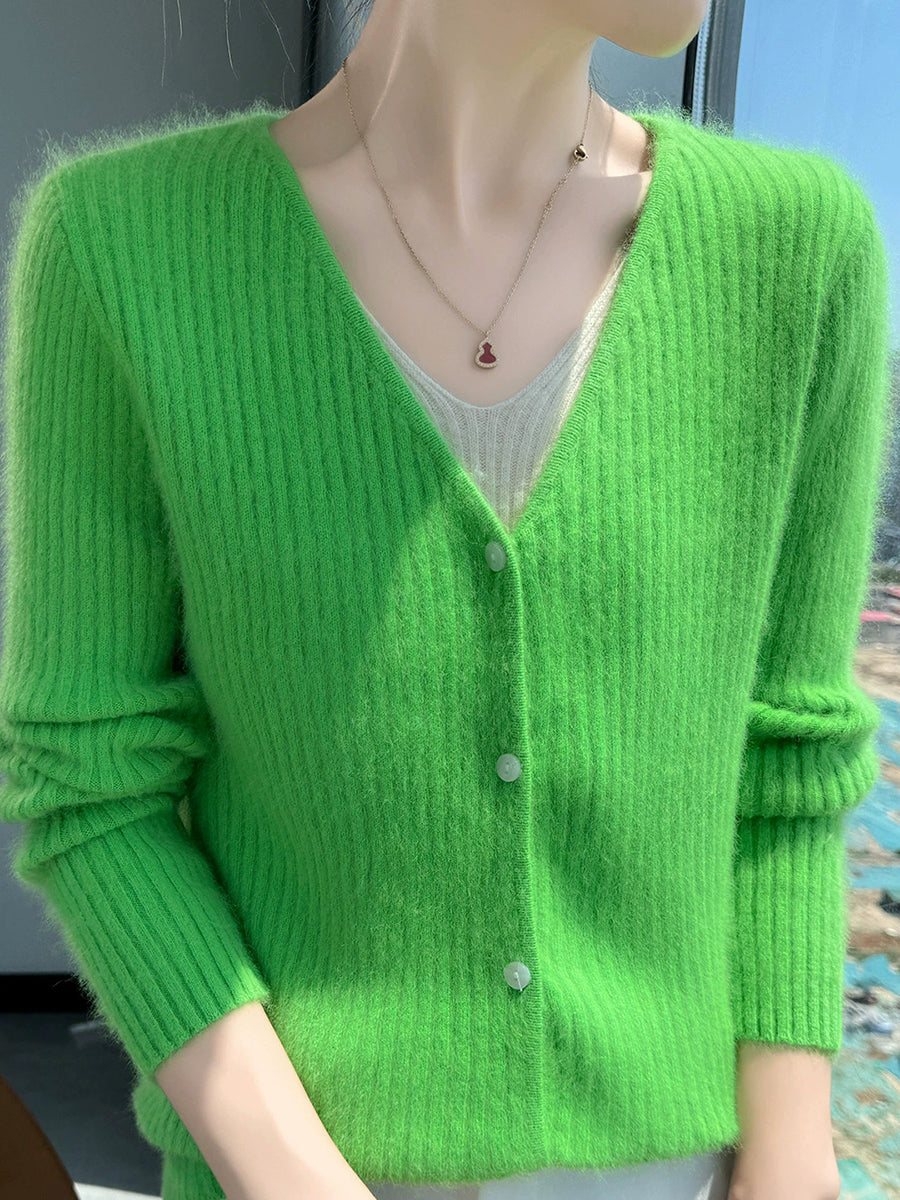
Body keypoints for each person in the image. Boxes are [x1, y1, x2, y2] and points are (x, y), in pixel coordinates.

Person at [0, 0, 891, 1198]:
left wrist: (791, 1162)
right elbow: (92, 782)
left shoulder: (799, 250)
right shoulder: (122, 248)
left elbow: (789, 760)